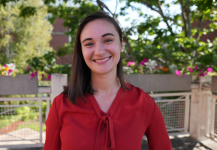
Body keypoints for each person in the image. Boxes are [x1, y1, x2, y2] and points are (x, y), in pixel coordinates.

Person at [44, 11, 172, 150]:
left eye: (108, 40)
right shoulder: (61, 105)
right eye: (89, 43)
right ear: (81, 51)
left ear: (121, 45)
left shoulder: (145, 104)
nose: (99, 51)